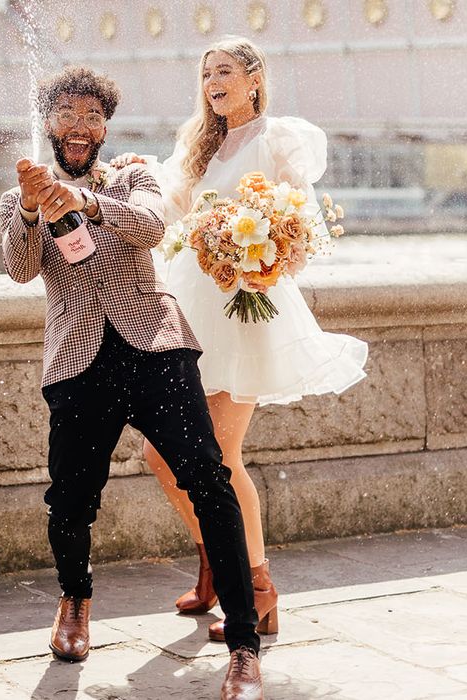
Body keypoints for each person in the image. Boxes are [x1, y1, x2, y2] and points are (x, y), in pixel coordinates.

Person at [0, 65, 265, 699]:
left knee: (209, 478)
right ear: (50, 123)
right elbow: (17, 268)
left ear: (105, 127)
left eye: (93, 116)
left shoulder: (131, 176)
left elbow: (151, 225)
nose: (81, 126)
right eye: (68, 114)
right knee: (70, 498)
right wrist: (37, 210)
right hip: (78, 364)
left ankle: (246, 645)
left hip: (155, 350)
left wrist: (85, 202)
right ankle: (74, 605)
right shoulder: (20, 196)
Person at [114, 36, 368, 643]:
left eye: (223, 71)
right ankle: (215, 562)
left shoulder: (279, 138)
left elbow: (301, 231)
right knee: (158, 455)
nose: (211, 83)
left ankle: (256, 594)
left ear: (255, 77)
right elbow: (169, 212)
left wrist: (268, 258)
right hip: (187, 309)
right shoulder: (197, 145)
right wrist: (131, 174)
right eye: (205, 74)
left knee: (221, 459)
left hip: (246, 316)